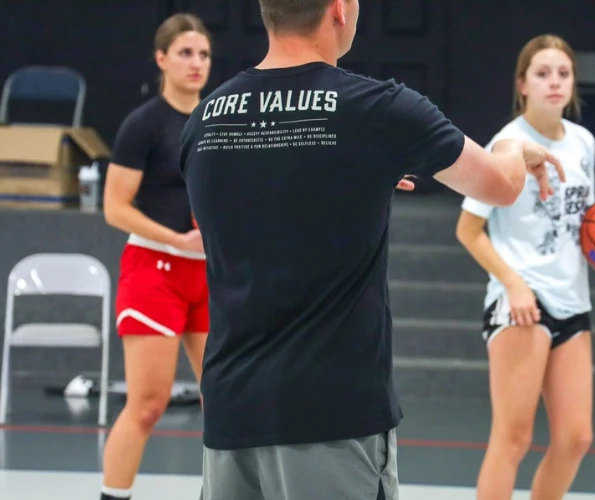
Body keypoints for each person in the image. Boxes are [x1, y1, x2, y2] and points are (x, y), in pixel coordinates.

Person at [178, 1, 564, 498]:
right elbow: (501, 186)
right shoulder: (377, 108)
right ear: (339, 9)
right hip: (332, 416)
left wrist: (359, 173)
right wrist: (514, 145)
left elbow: (265, 203)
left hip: (229, 414)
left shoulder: (204, 120)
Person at [455, 35, 595, 500]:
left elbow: (583, 223)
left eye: (563, 73)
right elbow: (468, 230)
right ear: (522, 84)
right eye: (543, 73)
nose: (555, 82)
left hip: (572, 299)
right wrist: (514, 284)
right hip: (521, 302)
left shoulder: (582, 142)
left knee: (576, 438)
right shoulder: (506, 146)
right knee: (514, 439)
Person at [98, 13, 213, 500]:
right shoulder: (142, 125)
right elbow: (114, 208)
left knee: (227, 400)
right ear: (161, 59)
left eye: (204, 54)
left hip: (209, 275)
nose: (196, 63)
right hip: (154, 272)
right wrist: (174, 239)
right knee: (148, 403)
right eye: (186, 53)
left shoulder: (218, 119)